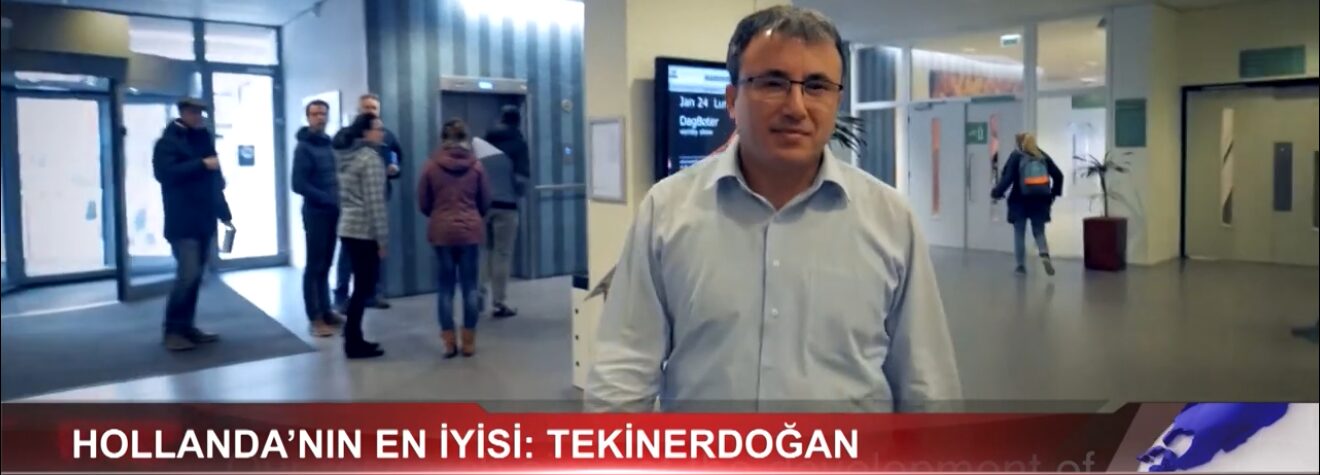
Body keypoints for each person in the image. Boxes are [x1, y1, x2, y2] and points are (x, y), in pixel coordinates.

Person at [584, 6, 961, 413]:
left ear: (836, 101)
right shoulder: (667, 211)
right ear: (732, 100)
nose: (796, 107)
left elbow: (927, 386)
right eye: (773, 83)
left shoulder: (891, 220)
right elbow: (622, 374)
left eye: (816, 86)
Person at [152, 97, 233, 352]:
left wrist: (224, 213)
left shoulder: (203, 140)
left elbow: (215, 180)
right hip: (181, 220)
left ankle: (187, 327)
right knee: (187, 276)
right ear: (182, 113)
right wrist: (201, 164)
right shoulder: (167, 143)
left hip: (204, 219)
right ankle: (172, 331)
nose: (197, 116)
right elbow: (164, 174)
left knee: (196, 277)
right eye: (193, 112)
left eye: (200, 113)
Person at [419, 119, 491, 358]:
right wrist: (472, 215)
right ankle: (468, 342)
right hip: (469, 232)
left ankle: (449, 343)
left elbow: (423, 202)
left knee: (445, 288)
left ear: (443, 139)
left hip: (442, 233)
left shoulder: (430, 166)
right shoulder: (476, 166)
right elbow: (485, 201)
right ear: (466, 139)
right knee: (470, 287)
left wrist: (438, 214)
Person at [333, 93, 404, 311]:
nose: (370, 111)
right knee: (349, 255)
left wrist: (394, 168)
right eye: (367, 107)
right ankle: (341, 296)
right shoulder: (345, 137)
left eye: (374, 108)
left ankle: (373, 293)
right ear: (359, 109)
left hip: (378, 194)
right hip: (354, 204)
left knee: (375, 253)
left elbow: (396, 156)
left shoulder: (387, 136)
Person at [335, 113, 390, 359]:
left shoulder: (347, 156)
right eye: (378, 128)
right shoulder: (370, 160)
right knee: (364, 286)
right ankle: (353, 340)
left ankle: (353, 336)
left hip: (348, 227)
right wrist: (382, 239)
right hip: (364, 230)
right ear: (366, 133)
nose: (382, 133)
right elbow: (375, 203)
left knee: (360, 285)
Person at [292, 99, 343, 337]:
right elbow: (298, 184)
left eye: (323, 113)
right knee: (314, 265)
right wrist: (326, 198)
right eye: (315, 114)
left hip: (333, 212)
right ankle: (315, 318)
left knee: (326, 264)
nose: (320, 118)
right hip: (315, 213)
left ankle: (326, 310)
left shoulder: (329, 144)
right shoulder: (303, 148)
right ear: (308, 117)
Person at [480, 105, 531, 318]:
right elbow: (521, 179)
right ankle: (499, 303)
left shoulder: (484, 142)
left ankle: (477, 296)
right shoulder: (519, 144)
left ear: (500, 119)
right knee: (502, 253)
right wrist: (517, 192)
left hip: (483, 206)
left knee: (483, 252)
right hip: (507, 206)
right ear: (518, 121)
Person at [990, 132, 1064, 276]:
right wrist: (1053, 194)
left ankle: (1020, 267)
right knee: (1039, 231)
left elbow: (1007, 178)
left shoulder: (1016, 156)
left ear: (1019, 143)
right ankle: (1044, 253)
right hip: (1040, 201)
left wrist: (996, 192)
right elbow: (1058, 175)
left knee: (1019, 233)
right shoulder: (1041, 155)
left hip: (1019, 201)